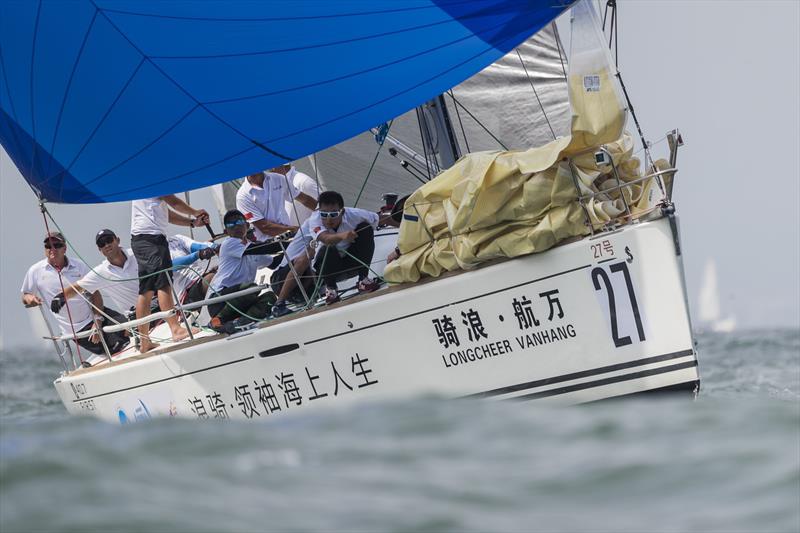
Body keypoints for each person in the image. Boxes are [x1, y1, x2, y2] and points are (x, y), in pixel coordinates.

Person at [271, 191, 380, 316]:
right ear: (318, 212)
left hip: (319, 277)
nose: (328, 219)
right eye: (324, 214)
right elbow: (325, 239)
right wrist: (344, 235)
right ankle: (279, 304)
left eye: (333, 214)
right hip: (283, 280)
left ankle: (363, 281)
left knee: (365, 228)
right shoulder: (314, 221)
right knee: (319, 250)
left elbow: (379, 219)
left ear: (342, 211)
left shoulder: (355, 214)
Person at [21, 232, 128, 358]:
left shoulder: (79, 265)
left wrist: (97, 320)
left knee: (133, 328)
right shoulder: (35, 271)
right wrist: (30, 299)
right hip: (78, 330)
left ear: (65, 248)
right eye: (48, 246)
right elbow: (25, 295)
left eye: (57, 245)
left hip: (98, 314)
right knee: (118, 346)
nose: (52, 249)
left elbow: (95, 293)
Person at [130, 195, 209, 352]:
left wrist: (192, 222)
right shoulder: (154, 180)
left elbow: (167, 214)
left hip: (140, 240)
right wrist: (195, 212)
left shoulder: (143, 187)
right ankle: (176, 329)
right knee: (164, 283)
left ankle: (145, 342)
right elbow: (174, 202)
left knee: (146, 290)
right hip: (152, 239)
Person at [206, 210, 282, 333]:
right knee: (252, 288)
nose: (236, 226)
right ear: (226, 232)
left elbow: (274, 263)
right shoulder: (229, 243)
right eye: (231, 225)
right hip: (219, 301)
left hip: (241, 299)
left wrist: (296, 250)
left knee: (270, 296)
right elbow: (262, 248)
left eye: (239, 221)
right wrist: (286, 244)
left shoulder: (253, 249)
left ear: (247, 226)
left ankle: (240, 322)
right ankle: (217, 321)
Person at [236, 164, 317, 240]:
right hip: (268, 245)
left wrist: (324, 214)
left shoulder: (279, 178)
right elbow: (265, 227)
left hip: (290, 237)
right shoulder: (242, 196)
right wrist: (296, 230)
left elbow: (305, 199)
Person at [167, 234, 217, 304]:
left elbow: (198, 246)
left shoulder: (176, 238)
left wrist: (215, 247)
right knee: (213, 279)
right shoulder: (152, 250)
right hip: (185, 293)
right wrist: (198, 254)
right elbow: (168, 265)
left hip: (200, 278)